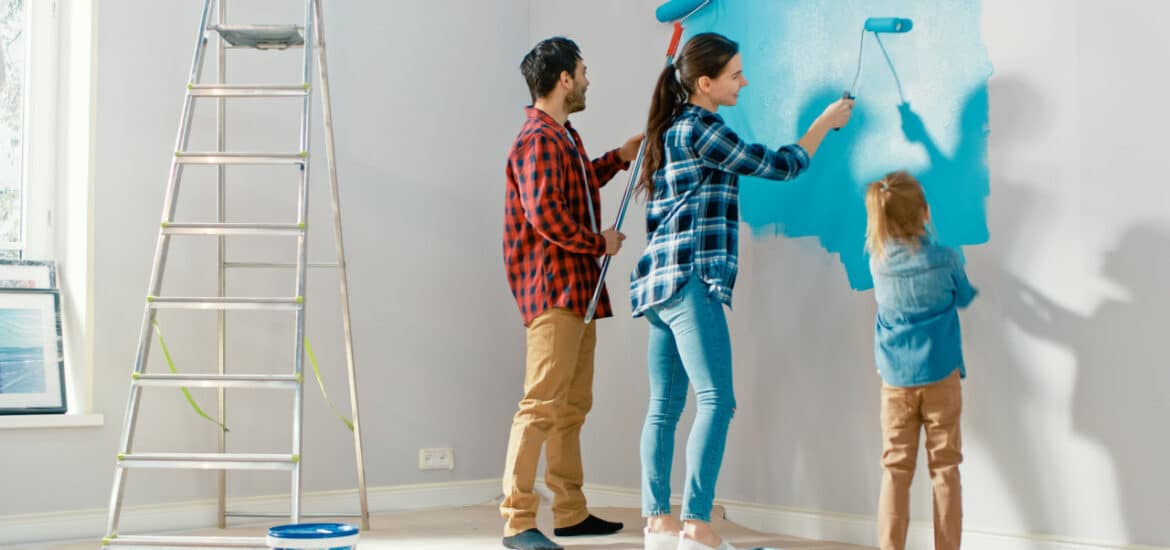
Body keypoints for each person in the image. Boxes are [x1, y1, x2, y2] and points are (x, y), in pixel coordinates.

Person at [629, 32, 854, 550]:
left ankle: (660, 527)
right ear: (705, 83)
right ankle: (696, 527)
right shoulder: (704, 128)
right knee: (717, 400)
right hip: (688, 280)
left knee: (664, 406)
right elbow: (780, 165)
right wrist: (823, 124)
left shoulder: (669, 129)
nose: (744, 81)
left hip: (658, 286)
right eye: (735, 74)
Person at [500, 36, 643, 550]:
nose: (586, 79)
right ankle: (517, 521)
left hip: (579, 293)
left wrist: (619, 159)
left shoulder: (564, 135)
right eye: (582, 71)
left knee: (570, 407)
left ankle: (570, 512)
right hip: (554, 293)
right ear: (564, 79)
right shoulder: (537, 138)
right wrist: (597, 242)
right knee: (540, 405)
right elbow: (546, 216)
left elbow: (575, 185)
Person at [864, 170, 977, 550]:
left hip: (895, 380)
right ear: (924, 212)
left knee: (895, 469)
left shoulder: (877, 263)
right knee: (945, 468)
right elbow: (964, 297)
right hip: (941, 376)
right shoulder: (945, 258)